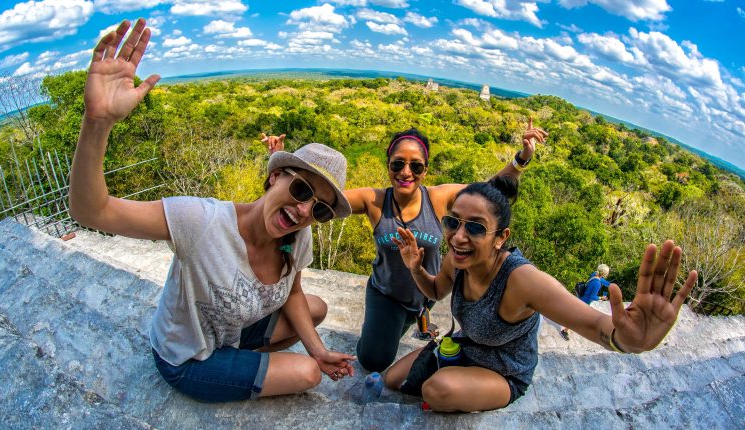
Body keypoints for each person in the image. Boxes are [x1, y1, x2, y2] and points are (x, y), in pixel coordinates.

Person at [69, 18, 355, 403]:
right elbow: (92, 212)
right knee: (305, 373)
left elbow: (294, 293)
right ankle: (228, 368)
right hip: (185, 356)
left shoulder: (297, 237)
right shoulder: (201, 222)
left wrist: (318, 349)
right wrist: (97, 122)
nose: (304, 211)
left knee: (315, 309)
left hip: (231, 332)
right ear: (275, 177)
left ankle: (238, 362)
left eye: (319, 209)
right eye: (302, 189)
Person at [385, 177, 696, 412]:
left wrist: (630, 340)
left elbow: (593, 325)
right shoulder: (457, 259)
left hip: (505, 371)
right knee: (392, 380)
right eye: (452, 222)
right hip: (466, 348)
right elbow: (437, 290)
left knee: (436, 390)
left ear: (500, 237)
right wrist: (415, 268)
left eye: (476, 228)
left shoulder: (522, 281)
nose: (459, 236)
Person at [265, 122, 548, 372]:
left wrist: (521, 159)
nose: (406, 172)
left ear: (426, 169)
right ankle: (383, 328)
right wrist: (284, 172)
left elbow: (489, 192)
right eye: (398, 164)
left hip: (427, 291)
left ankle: (412, 319)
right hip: (386, 293)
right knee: (373, 360)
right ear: (388, 164)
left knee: (407, 323)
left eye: (416, 165)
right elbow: (319, 201)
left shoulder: (439, 198)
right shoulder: (373, 200)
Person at [560, 264, 611, 341]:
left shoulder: (594, 274)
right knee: (576, 318)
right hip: (585, 302)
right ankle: (564, 331)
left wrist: (609, 284)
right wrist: (601, 297)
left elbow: (601, 280)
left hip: (581, 297)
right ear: (604, 274)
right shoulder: (597, 284)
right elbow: (592, 297)